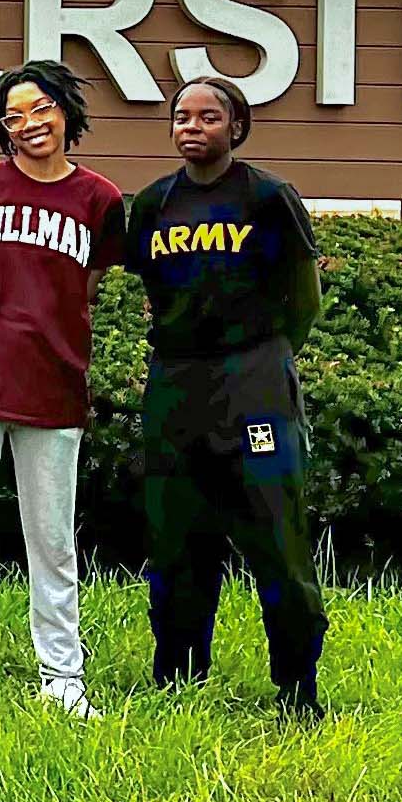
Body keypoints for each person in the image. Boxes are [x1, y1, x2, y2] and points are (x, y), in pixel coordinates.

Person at [129, 76, 330, 720]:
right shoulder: (154, 203)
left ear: (235, 128)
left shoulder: (268, 198)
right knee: (177, 533)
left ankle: (298, 686)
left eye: (208, 116)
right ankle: (178, 677)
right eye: (182, 116)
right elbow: (151, 292)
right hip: (177, 384)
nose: (192, 126)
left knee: (276, 532)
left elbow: (303, 298)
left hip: (254, 383)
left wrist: (266, 359)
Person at [0, 60, 124, 717]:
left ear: (65, 111)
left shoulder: (101, 200)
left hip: (55, 386)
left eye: (40, 109)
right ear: (0, 129)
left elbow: (87, 288)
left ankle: (62, 677)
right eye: (14, 117)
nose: (30, 125)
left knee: (51, 539)